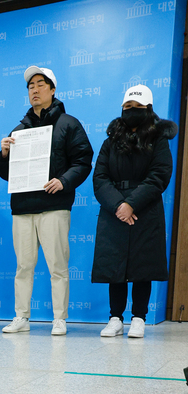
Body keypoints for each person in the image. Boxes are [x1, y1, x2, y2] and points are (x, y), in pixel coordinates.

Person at [0, 66, 93, 335]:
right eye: (30, 86)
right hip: (23, 209)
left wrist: (63, 181)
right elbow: (6, 174)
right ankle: (21, 317)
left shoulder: (69, 124)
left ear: (53, 90)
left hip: (54, 206)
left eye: (40, 84)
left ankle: (59, 318)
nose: (35, 90)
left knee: (57, 266)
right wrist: (4, 155)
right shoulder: (19, 130)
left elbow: (83, 160)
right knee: (23, 266)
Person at [92, 85, 176, 338]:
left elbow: (159, 175)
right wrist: (118, 205)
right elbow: (100, 177)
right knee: (115, 264)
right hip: (114, 208)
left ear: (148, 110)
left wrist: (132, 204)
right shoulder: (110, 141)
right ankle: (115, 318)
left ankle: (139, 317)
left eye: (137, 108)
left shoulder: (158, 139)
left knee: (142, 264)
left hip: (145, 208)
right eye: (127, 107)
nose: (131, 112)